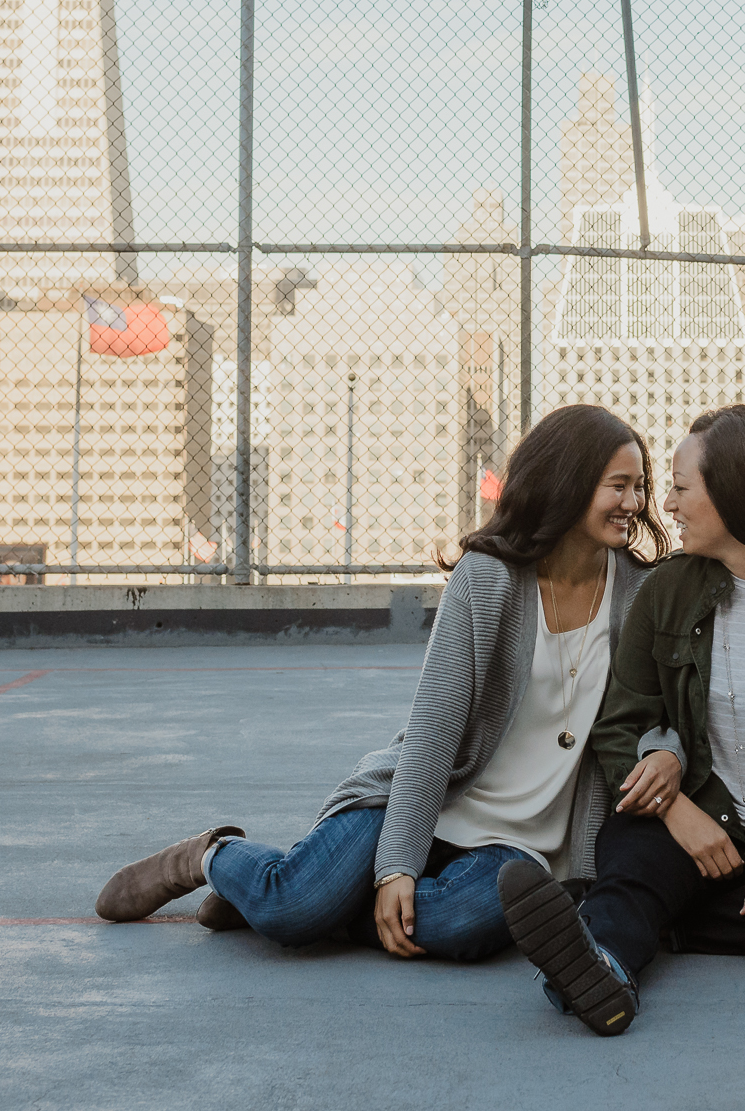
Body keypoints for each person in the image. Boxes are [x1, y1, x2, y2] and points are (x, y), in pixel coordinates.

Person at [93, 404, 674, 963]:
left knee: (461, 925)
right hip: (423, 801)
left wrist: (663, 752)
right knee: (296, 908)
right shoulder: (488, 579)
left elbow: (656, 716)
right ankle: (208, 857)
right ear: (568, 484)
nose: (634, 503)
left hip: (519, 845)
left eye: (640, 487)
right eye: (617, 486)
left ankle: (304, 901)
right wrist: (397, 866)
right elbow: (433, 731)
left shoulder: (638, 593)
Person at [496, 403, 745, 1034]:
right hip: (694, 824)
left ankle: (640, 924)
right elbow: (620, 725)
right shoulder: (668, 591)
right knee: (630, 849)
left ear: (736, 491)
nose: (668, 509)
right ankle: (604, 973)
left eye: (682, 490)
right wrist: (675, 811)